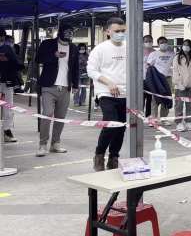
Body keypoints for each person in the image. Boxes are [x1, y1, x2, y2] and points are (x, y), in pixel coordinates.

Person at [88, 17, 127, 171]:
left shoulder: (129, 47)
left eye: (123, 31)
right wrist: (109, 83)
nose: (120, 34)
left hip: (125, 93)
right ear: (108, 32)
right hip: (106, 92)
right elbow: (91, 70)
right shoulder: (100, 49)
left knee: (121, 127)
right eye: (117, 31)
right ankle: (99, 155)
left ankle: (114, 157)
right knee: (111, 122)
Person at [35, 25, 80, 157]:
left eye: (70, 35)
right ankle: (42, 145)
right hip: (49, 86)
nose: (68, 38)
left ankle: (55, 144)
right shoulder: (47, 44)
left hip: (65, 87)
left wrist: (76, 84)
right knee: (47, 114)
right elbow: (38, 59)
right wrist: (53, 56)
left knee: (60, 118)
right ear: (60, 33)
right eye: (66, 34)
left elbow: (75, 67)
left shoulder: (73, 48)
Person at [0, 29, 24, 143]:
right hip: (6, 82)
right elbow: (18, 65)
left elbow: (18, 64)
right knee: (8, 108)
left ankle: (7, 131)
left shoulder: (8, 48)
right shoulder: (8, 48)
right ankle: (7, 131)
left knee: (8, 108)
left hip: (7, 82)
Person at [146, 36, 174, 123]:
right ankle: (153, 119)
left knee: (166, 98)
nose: (163, 44)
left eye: (165, 42)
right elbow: (149, 66)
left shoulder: (171, 54)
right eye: (161, 42)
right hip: (157, 79)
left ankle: (164, 118)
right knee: (155, 99)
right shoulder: (153, 54)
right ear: (158, 44)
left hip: (168, 78)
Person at [172, 39, 191, 132]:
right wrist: (179, 84)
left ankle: (188, 122)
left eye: (188, 45)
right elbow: (175, 72)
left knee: (190, 105)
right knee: (179, 105)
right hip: (180, 86)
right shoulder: (177, 57)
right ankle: (179, 123)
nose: (186, 46)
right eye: (184, 45)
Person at [143, 35, 154, 117]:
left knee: (150, 99)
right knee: (141, 98)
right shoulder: (139, 51)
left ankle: (148, 115)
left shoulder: (155, 52)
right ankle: (140, 114)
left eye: (150, 41)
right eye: (146, 41)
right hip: (141, 79)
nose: (148, 42)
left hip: (151, 79)